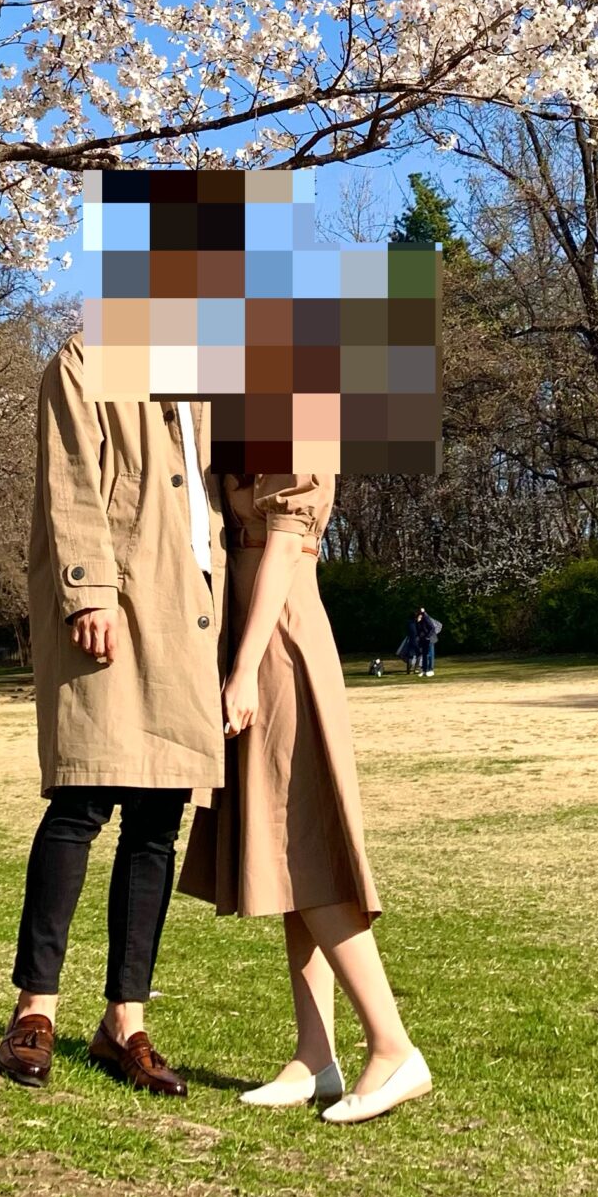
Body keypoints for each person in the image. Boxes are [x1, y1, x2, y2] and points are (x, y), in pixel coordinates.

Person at [0, 337, 225, 1099]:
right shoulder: (87, 359)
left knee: (159, 818)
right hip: (116, 601)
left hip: (186, 609)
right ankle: (36, 1009)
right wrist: (89, 589)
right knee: (81, 801)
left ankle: (124, 1021)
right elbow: (69, 480)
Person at [181, 472, 431, 1126]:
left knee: (302, 841)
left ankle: (391, 1045)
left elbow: (287, 546)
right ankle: (315, 1055)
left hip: (281, 642)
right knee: (287, 853)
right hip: (257, 637)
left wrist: (244, 668)